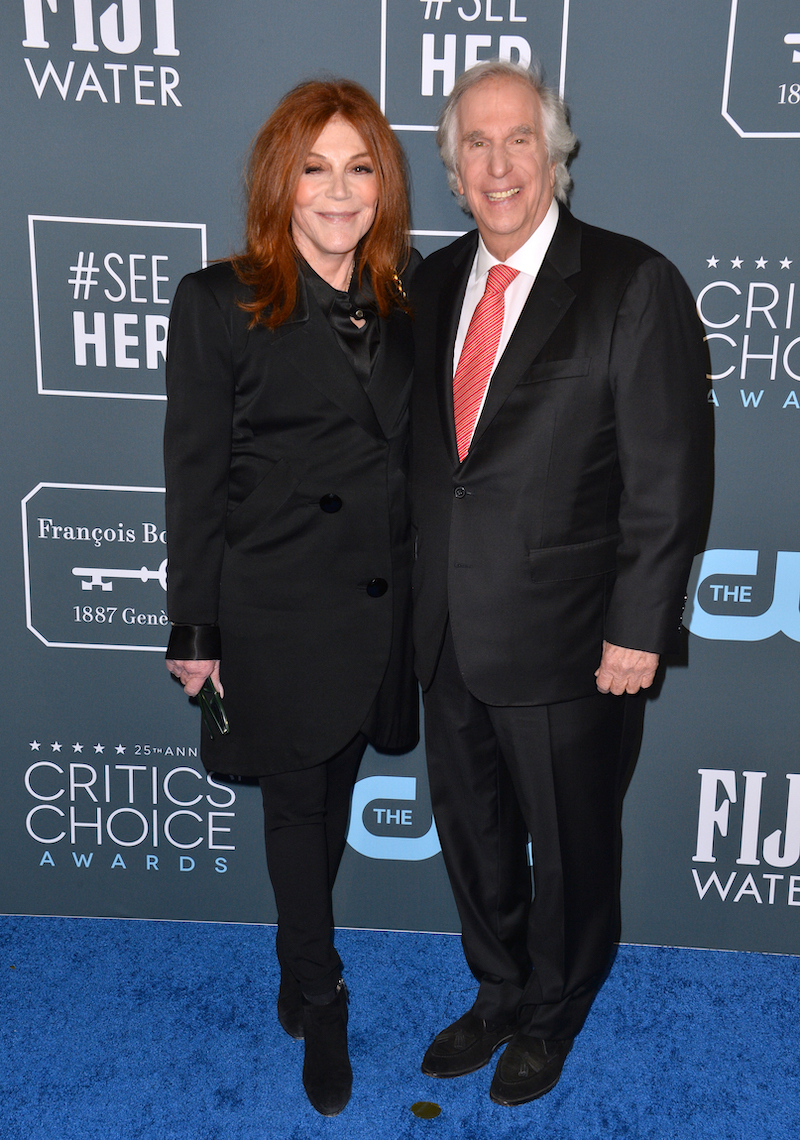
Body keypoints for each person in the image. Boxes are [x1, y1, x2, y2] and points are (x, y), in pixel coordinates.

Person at [409, 60, 710, 1107]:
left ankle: (552, 1014)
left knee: (572, 849)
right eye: (475, 145)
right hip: (445, 631)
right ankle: (498, 990)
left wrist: (640, 626)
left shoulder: (631, 283)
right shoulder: (430, 283)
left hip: (574, 640)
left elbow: (667, 477)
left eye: (518, 140)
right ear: (453, 172)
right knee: (473, 832)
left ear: (555, 156)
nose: (498, 165)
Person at [163, 78, 418, 1117]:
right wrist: (194, 625)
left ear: (384, 187)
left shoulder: (408, 300)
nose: (338, 190)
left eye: (360, 168)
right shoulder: (217, 301)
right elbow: (192, 476)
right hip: (274, 612)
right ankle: (321, 995)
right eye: (315, 168)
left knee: (330, 801)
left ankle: (292, 950)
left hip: (377, 608)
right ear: (280, 181)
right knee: (298, 808)